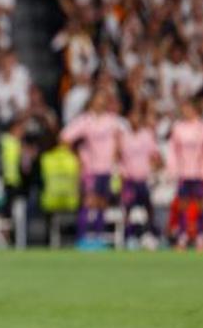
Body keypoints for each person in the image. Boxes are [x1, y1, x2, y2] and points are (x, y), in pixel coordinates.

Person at [59, 90, 123, 248]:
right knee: (88, 203)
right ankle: (82, 238)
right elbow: (64, 138)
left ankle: (98, 237)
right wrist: (78, 156)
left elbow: (119, 139)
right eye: (98, 99)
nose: (100, 103)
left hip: (107, 169)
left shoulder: (111, 120)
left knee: (102, 203)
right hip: (90, 169)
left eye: (103, 100)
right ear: (92, 102)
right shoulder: (85, 120)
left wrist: (117, 156)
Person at [166, 101, 203, 250]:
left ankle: (201, 237)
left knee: (201, 205)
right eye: (183, 108)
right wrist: (172, 170)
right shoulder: (178, 128)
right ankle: (182, 236)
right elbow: (172, 150)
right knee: (182, 205)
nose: (185, 111)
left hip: (200, 172)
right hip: (184, 172)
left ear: (195, 109)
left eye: (188, 108)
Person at [118, 107, 160, 249]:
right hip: (129, 179)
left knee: (148, 207)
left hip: (144, 179)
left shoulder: (147, 135)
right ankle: (129, 236)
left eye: (137, 116)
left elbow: (155, 156)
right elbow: (118, 156)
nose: (135, 120)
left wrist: (153, 169)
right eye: (132, 116)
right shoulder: (124, 136)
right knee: (128, 209)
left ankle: (148, 234)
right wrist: (122, 172)